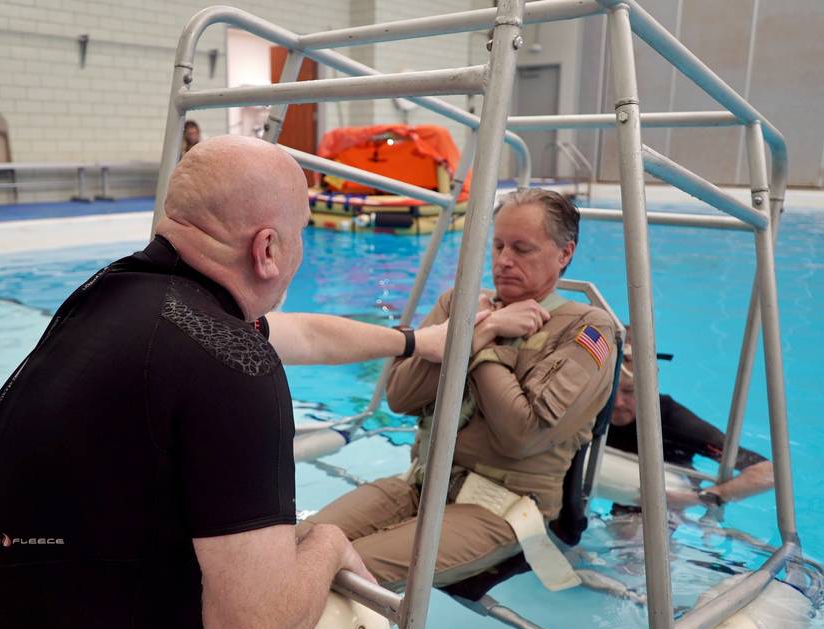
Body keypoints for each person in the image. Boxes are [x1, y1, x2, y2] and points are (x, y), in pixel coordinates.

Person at [0, 135, 456, 629]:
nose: (302, 251)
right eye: (302, 234)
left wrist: (413, 342)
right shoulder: (235, 366)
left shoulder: (109, 295)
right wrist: (328, 543)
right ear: (268, 248)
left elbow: (302, 335)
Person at [299, 188, 619, 590]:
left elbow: (522, 436)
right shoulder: (462, 305)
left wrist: (483, 350)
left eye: (522, 249)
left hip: (501, 509)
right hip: (420, 484)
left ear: (564, 253)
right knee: (296, 545)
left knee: (339, 573)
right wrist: (482, 328)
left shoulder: (587, 330)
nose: (503, 261)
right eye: (499, 245)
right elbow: (401, 396)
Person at [607, 336, 774, 512]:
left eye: (629, 390)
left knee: (628, 534)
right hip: (611, 488)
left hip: (661, 502)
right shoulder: (587, 408)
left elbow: (767, 473)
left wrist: (702, 497)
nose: (617, 403)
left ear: (647, 386)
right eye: (607, 389)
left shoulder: (672, 421)